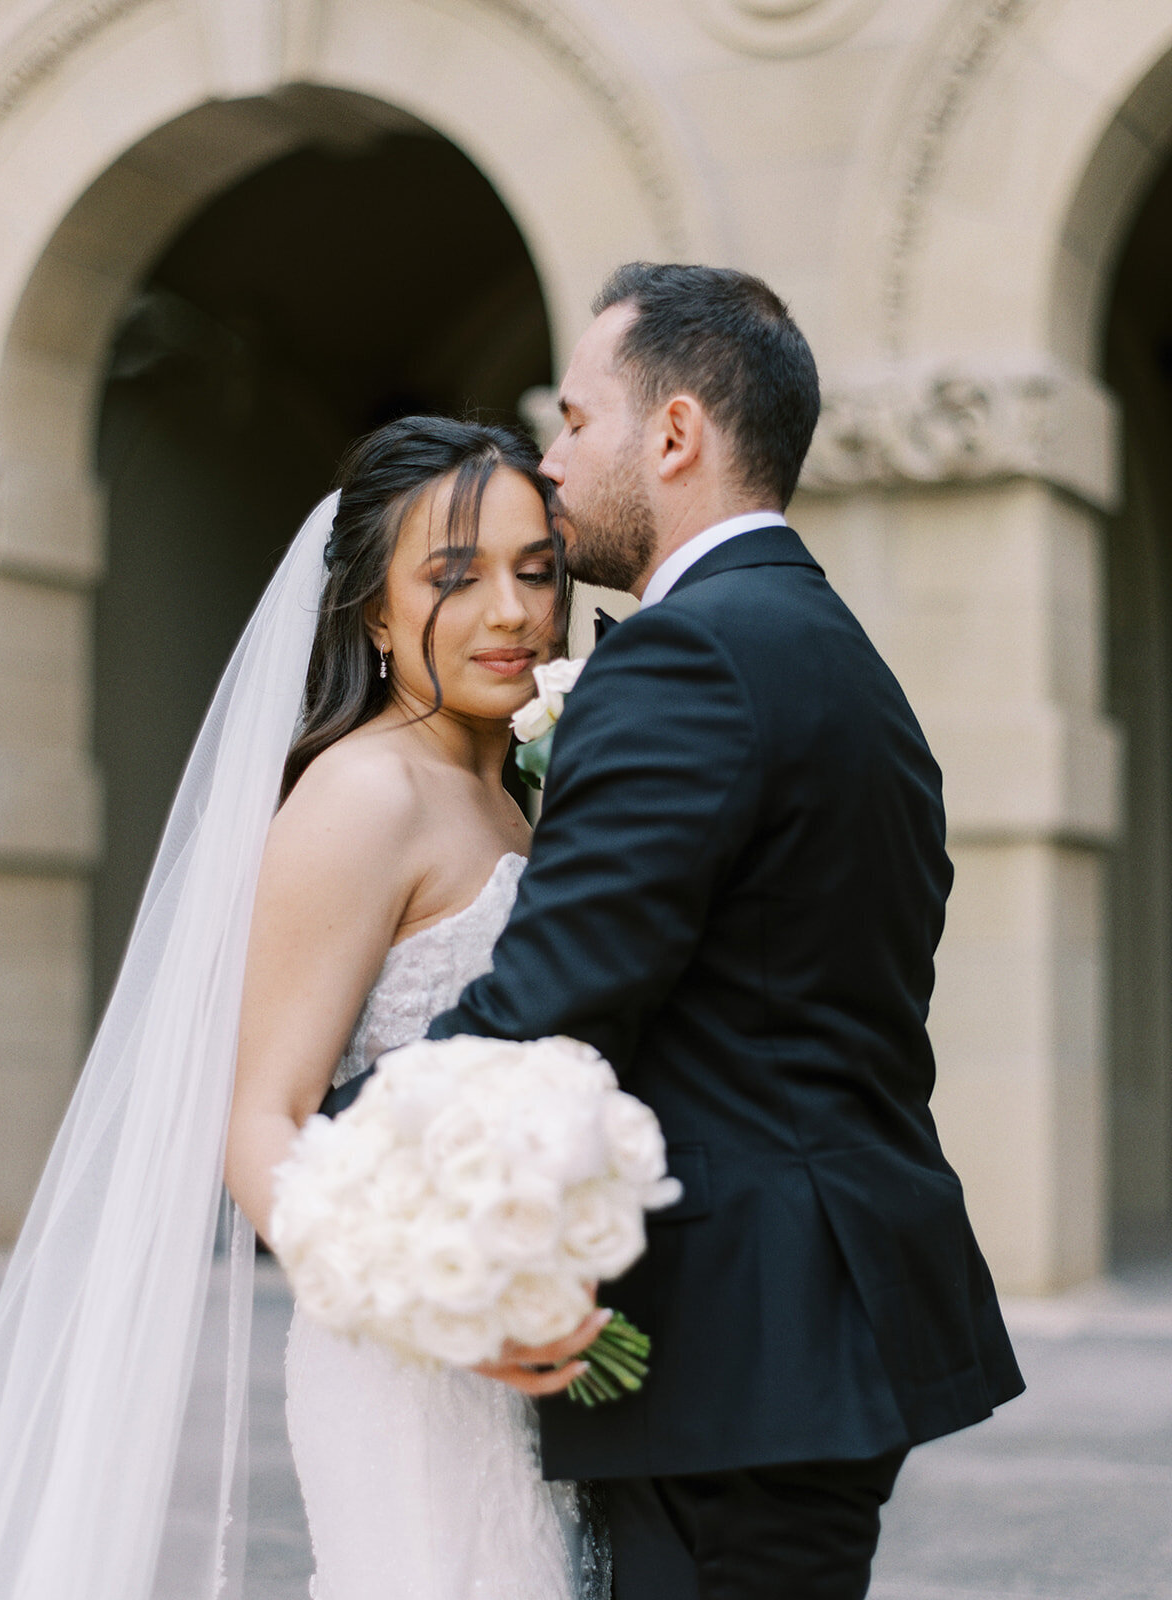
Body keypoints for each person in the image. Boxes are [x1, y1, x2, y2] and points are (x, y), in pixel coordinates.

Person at [415, 264, 1026, 1599]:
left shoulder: (693, 658)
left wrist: (335, 1148)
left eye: (575, 419)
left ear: (677, 434)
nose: (553, 462)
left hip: (742, 1342)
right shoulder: (827, 649)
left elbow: (561, 992)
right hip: (802, 1328)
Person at [0, 416, 606, 1600]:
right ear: (374, 612)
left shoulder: (518, 791)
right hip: (411, 1363)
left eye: (536, 569)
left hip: (523, 1349)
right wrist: (438, 1296)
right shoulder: (364, 795)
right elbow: (258, 1118)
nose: (514, 612)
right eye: (454, 578)